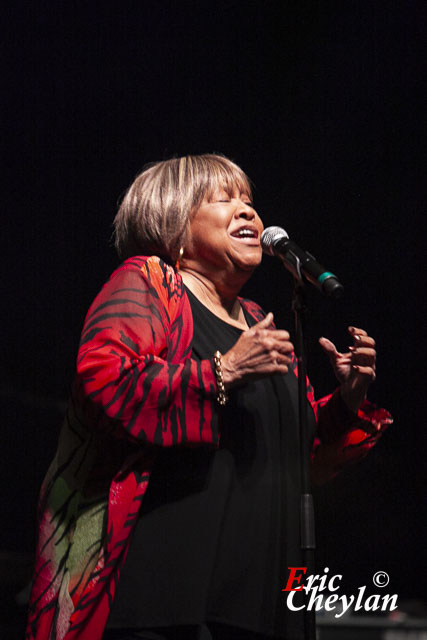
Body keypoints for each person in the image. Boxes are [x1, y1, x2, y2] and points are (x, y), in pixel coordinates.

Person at [26, 154, 391, 640]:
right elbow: (104, 383)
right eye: (223, 199)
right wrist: (222, 371)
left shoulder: (262, 321)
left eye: (248, 201)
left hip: (262, 601)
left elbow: (295, 459)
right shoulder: (149, 283)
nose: (247, 212)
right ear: (173, 222)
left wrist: (346, 401)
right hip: (168, 599)